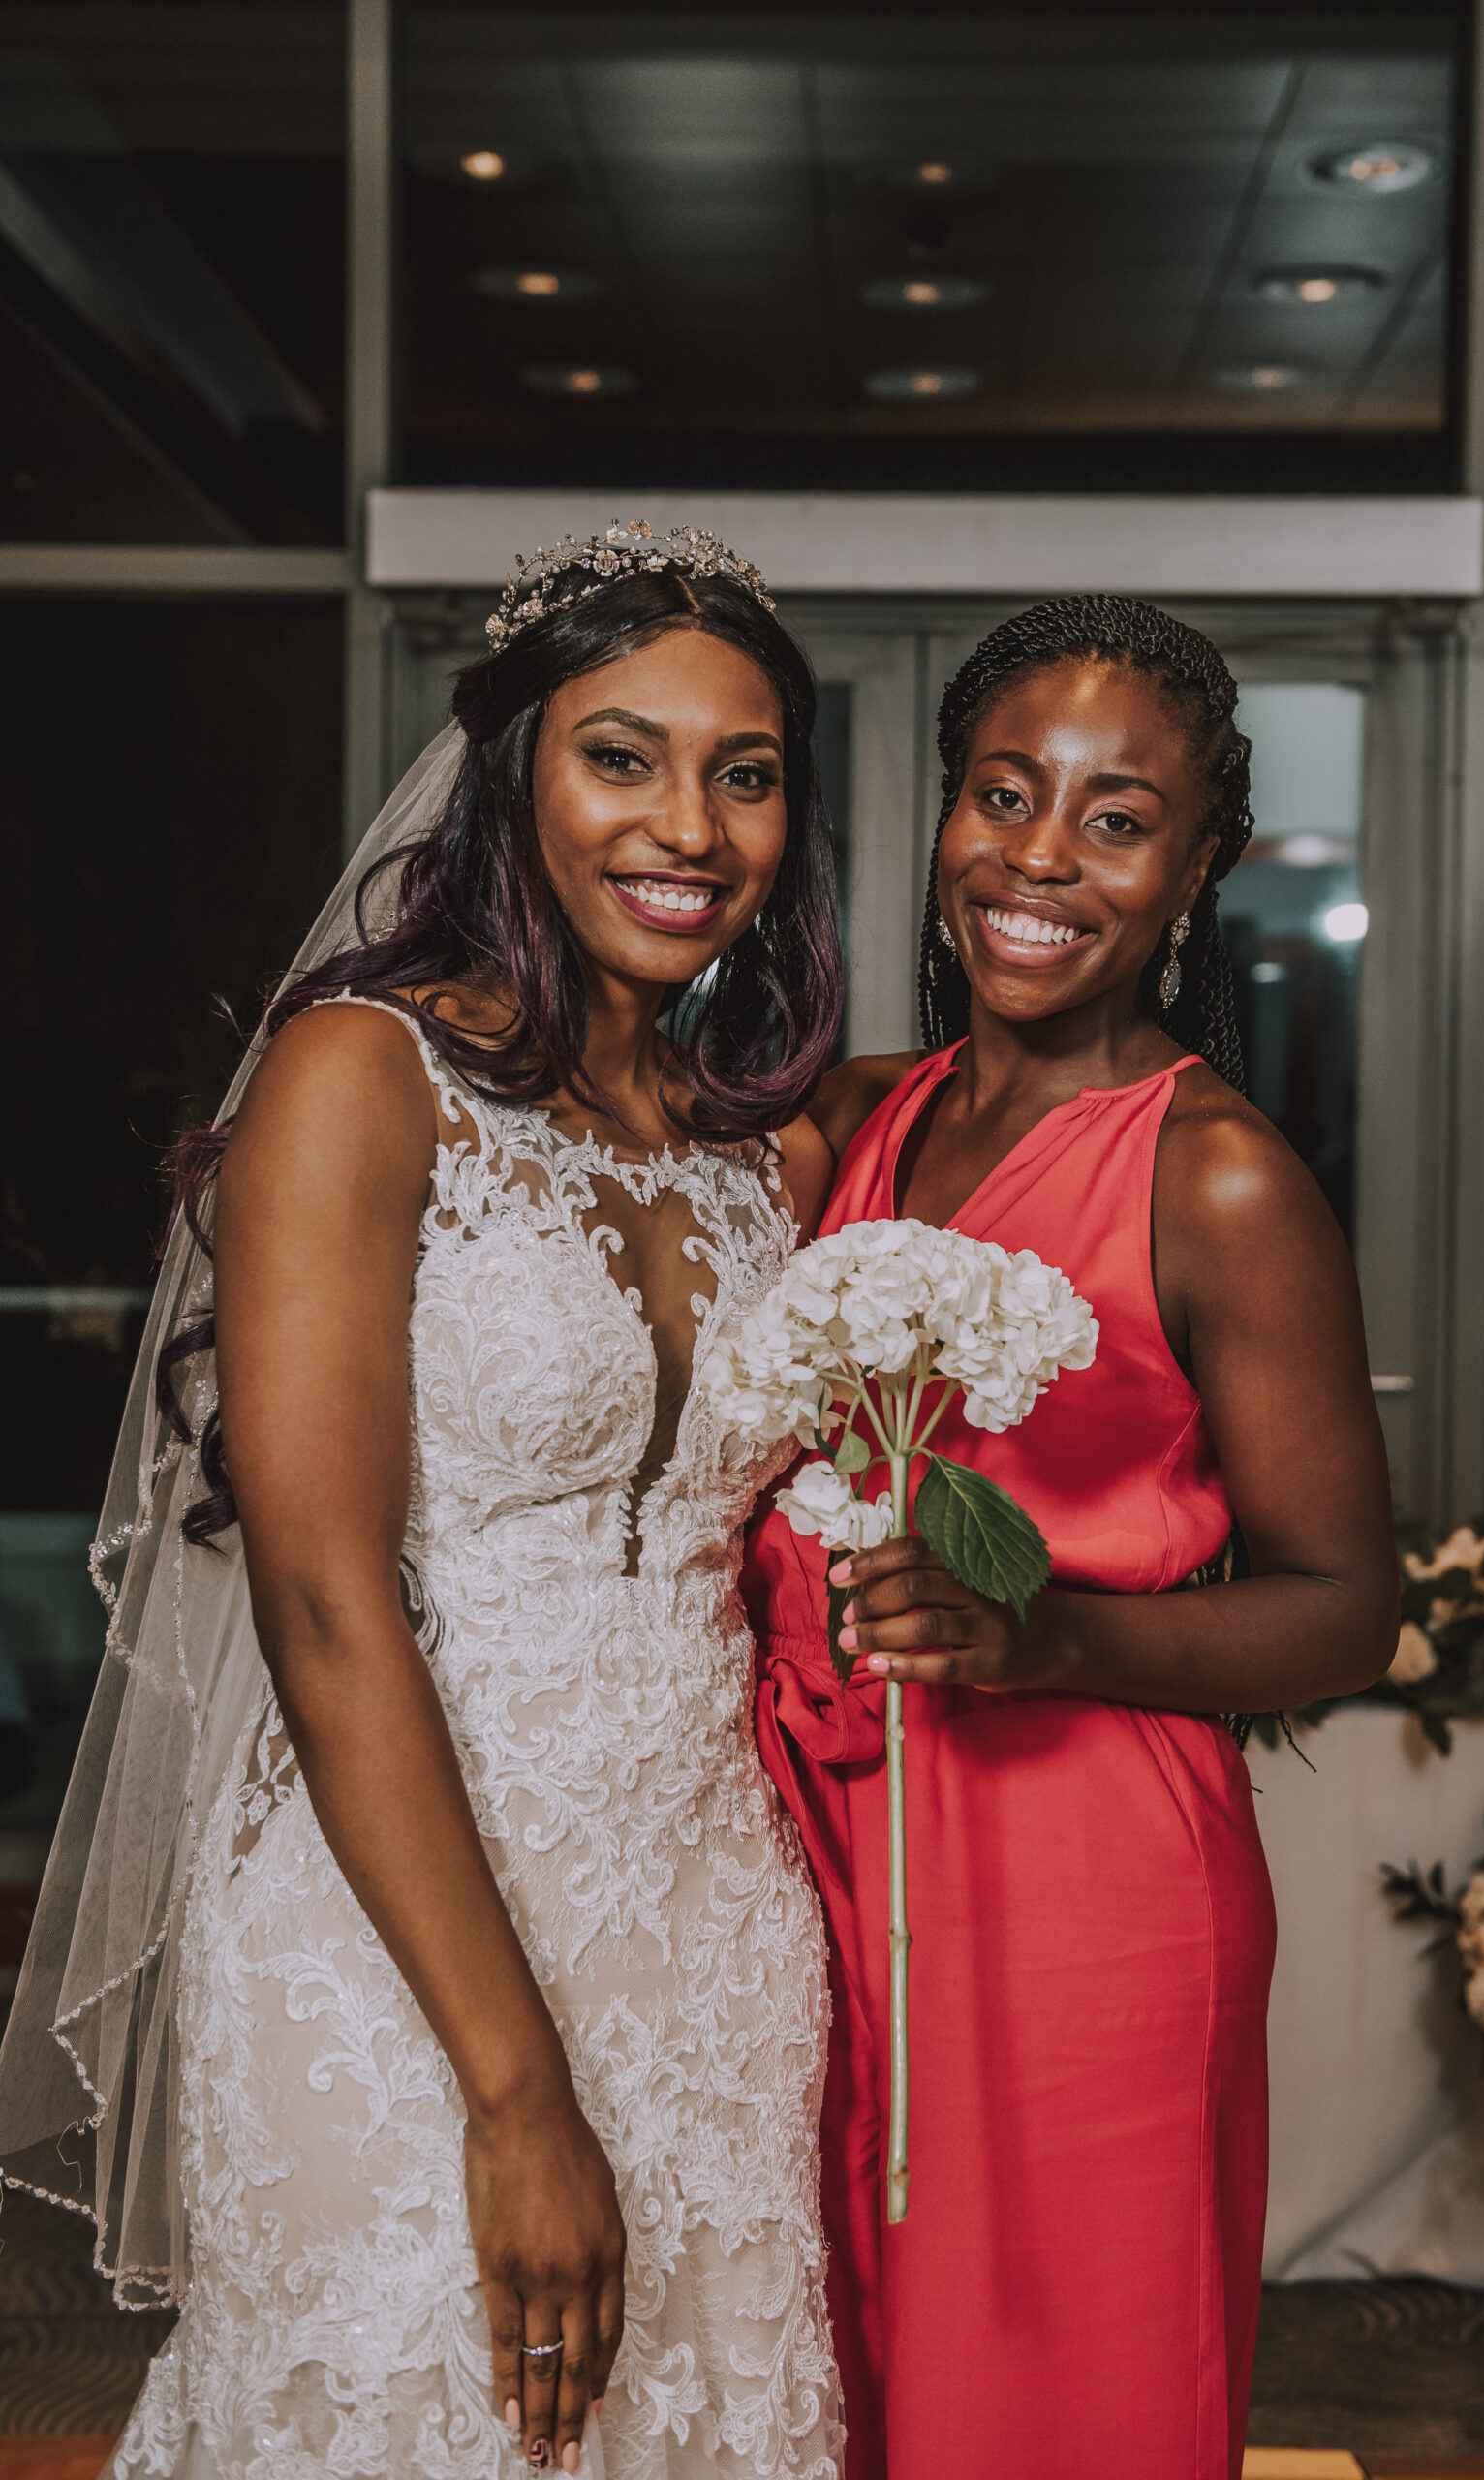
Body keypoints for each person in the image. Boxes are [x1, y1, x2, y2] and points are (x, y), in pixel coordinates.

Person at [0, 525, 848, 2480]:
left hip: (720, 1935)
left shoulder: (775, 1149)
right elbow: (318, 1597)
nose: (690, 822)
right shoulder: (360, 1080)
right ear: (511, 776)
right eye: (621, 754)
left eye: (747, 769)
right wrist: (514, 2083)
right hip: (406, 1940)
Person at [742, 597, 1399, 2480]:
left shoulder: (1219, 1173)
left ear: (1199, 866)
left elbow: (1347, 1609)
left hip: (1090, 1879)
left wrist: (1053, 1639)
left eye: (1118, 818)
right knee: (849, 2385)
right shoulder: (870, 1113)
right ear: (942, 813)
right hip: (840, 1852)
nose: (1039, 856)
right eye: (1004, 793)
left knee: (1062, 2402)